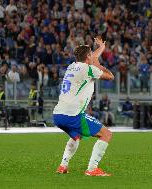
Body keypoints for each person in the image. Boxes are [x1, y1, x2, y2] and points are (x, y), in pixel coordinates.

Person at [53, 37, 114, 176]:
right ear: (88, 57)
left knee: (76, 136)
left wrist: (101, 49)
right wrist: (98, 61)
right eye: (91, 54)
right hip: (72, 115)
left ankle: (63, 166)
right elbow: (110, 77)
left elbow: (90, 59)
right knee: (106, 134)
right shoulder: (88, 69)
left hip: (58, 114)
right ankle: (92, 169)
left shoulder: (71, 66)